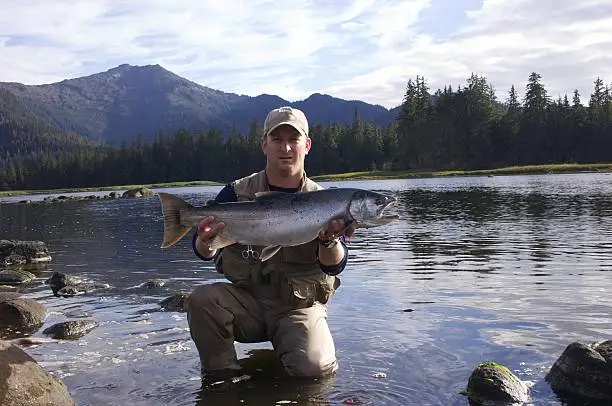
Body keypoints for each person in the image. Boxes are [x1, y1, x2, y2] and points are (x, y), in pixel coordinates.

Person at [186, 106, 355, 384]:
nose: (286, 147)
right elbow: (202, 250)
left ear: (307, 145)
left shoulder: (327, 201)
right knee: (202, 300)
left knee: (316, 371)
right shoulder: (236, 193)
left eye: (294, 139)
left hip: (298, 308)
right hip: (248, 304)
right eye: (277, 139)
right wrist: (206, 241)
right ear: (264, 144)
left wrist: (329, 238)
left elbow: (336, 264)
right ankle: (221, 381)